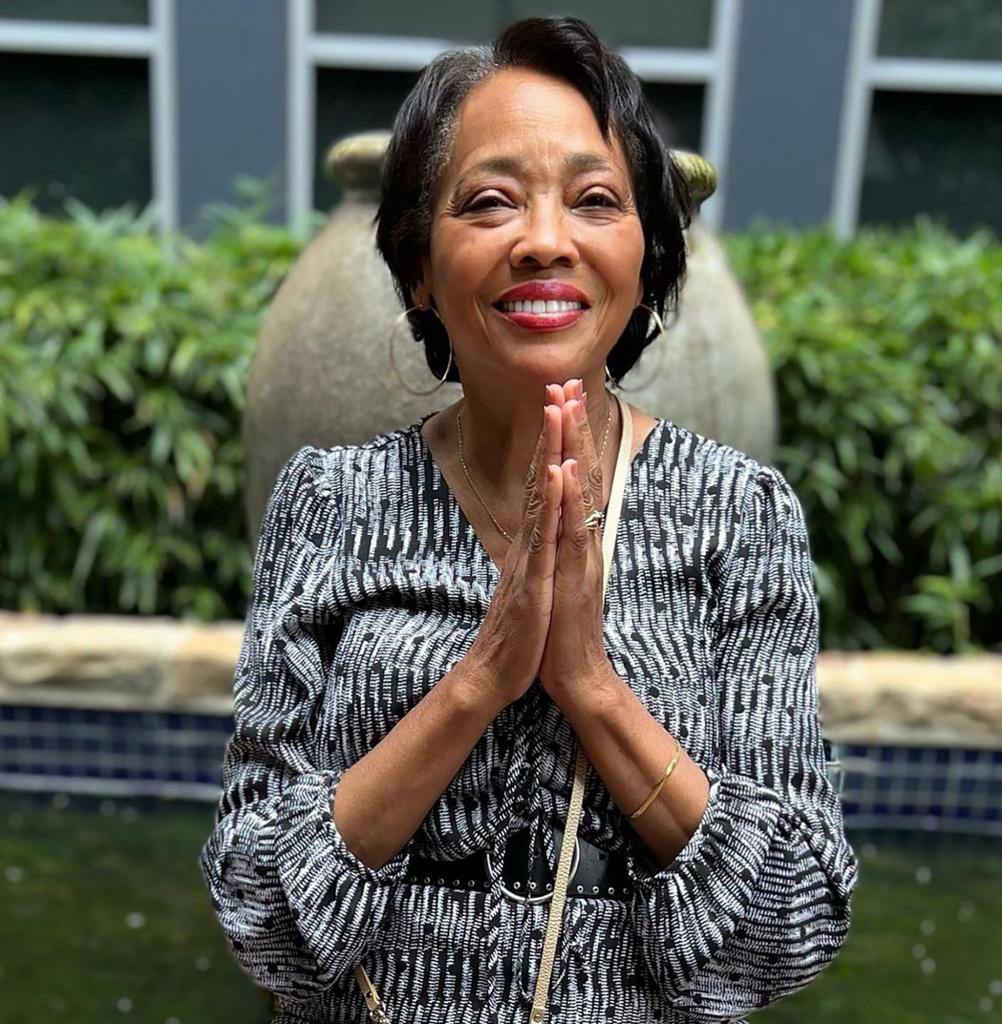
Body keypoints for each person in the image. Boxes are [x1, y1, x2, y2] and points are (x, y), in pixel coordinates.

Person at [198, 15, 859, 1024]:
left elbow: (789, 924)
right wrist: (478, 681)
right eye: (491, 202)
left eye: (595, 201)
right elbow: (257, 911)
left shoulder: (737, 514)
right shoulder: (329, 502)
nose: (544, 242)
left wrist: (590, 687)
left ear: (645, 258)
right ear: (419, 265)